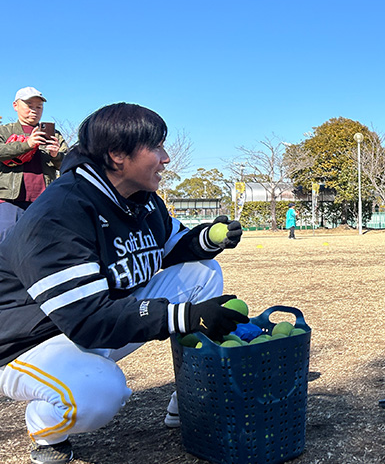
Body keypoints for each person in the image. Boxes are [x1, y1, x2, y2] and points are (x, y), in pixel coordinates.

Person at [0, 103, 248, 464]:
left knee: (202, 271)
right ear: (117, 155)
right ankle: (46, 426)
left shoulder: (140, 200)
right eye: (156, 148)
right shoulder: (60, 212)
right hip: (27, 344)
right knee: (99, 392)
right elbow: (87, 318)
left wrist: (209, 239)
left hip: (90, 322)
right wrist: (184, 316)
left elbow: (168, 248)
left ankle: (194, 399)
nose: (165, 158)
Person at [0, 87, 69, 242]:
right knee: (6, 245)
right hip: (9, 200)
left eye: (39, 107)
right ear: (15, 105)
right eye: (29, 105)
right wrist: (27, 144)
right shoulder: (4, 131)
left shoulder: (54, 135)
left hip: (43, 200)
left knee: (40, 245)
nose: (35, 110)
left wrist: (56, 155)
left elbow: (68, 163)